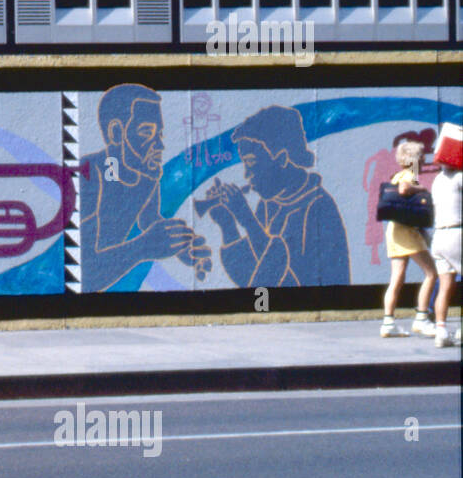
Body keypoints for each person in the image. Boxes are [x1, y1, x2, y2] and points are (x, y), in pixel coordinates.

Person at [80, 83, 210, 291]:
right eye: (146, 132)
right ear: (116, 133)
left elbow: (148, 220)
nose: (159, 145)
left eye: (159, 133)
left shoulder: (146, 177)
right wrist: (144, 247)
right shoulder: (90, 176)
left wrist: (179, 243)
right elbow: (82, 275)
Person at [204, 105, 349, 287]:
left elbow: (289, 281)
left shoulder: (317, 208)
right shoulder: (268, 206)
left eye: (251, 163)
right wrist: (228, 225)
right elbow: (253, 278)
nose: (246, 174)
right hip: (271, 305)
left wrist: (248, 221)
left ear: (281, 158)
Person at [378, 140, 437, 338]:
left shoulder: (396, 175)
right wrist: (422, 190)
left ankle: (388, 322)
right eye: (421, 156)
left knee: (396, 279)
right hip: (407, 233)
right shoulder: (408, 176)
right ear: (414, 159)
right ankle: (421, 318)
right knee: (431, 273)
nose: (424, 160)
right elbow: (404, 189)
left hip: (395, 231)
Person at [429, 123, 462, 349]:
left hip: (438, 237)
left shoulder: (437, 180)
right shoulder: (459, 177)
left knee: (445, 285)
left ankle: (441, 330)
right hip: (457, 232)